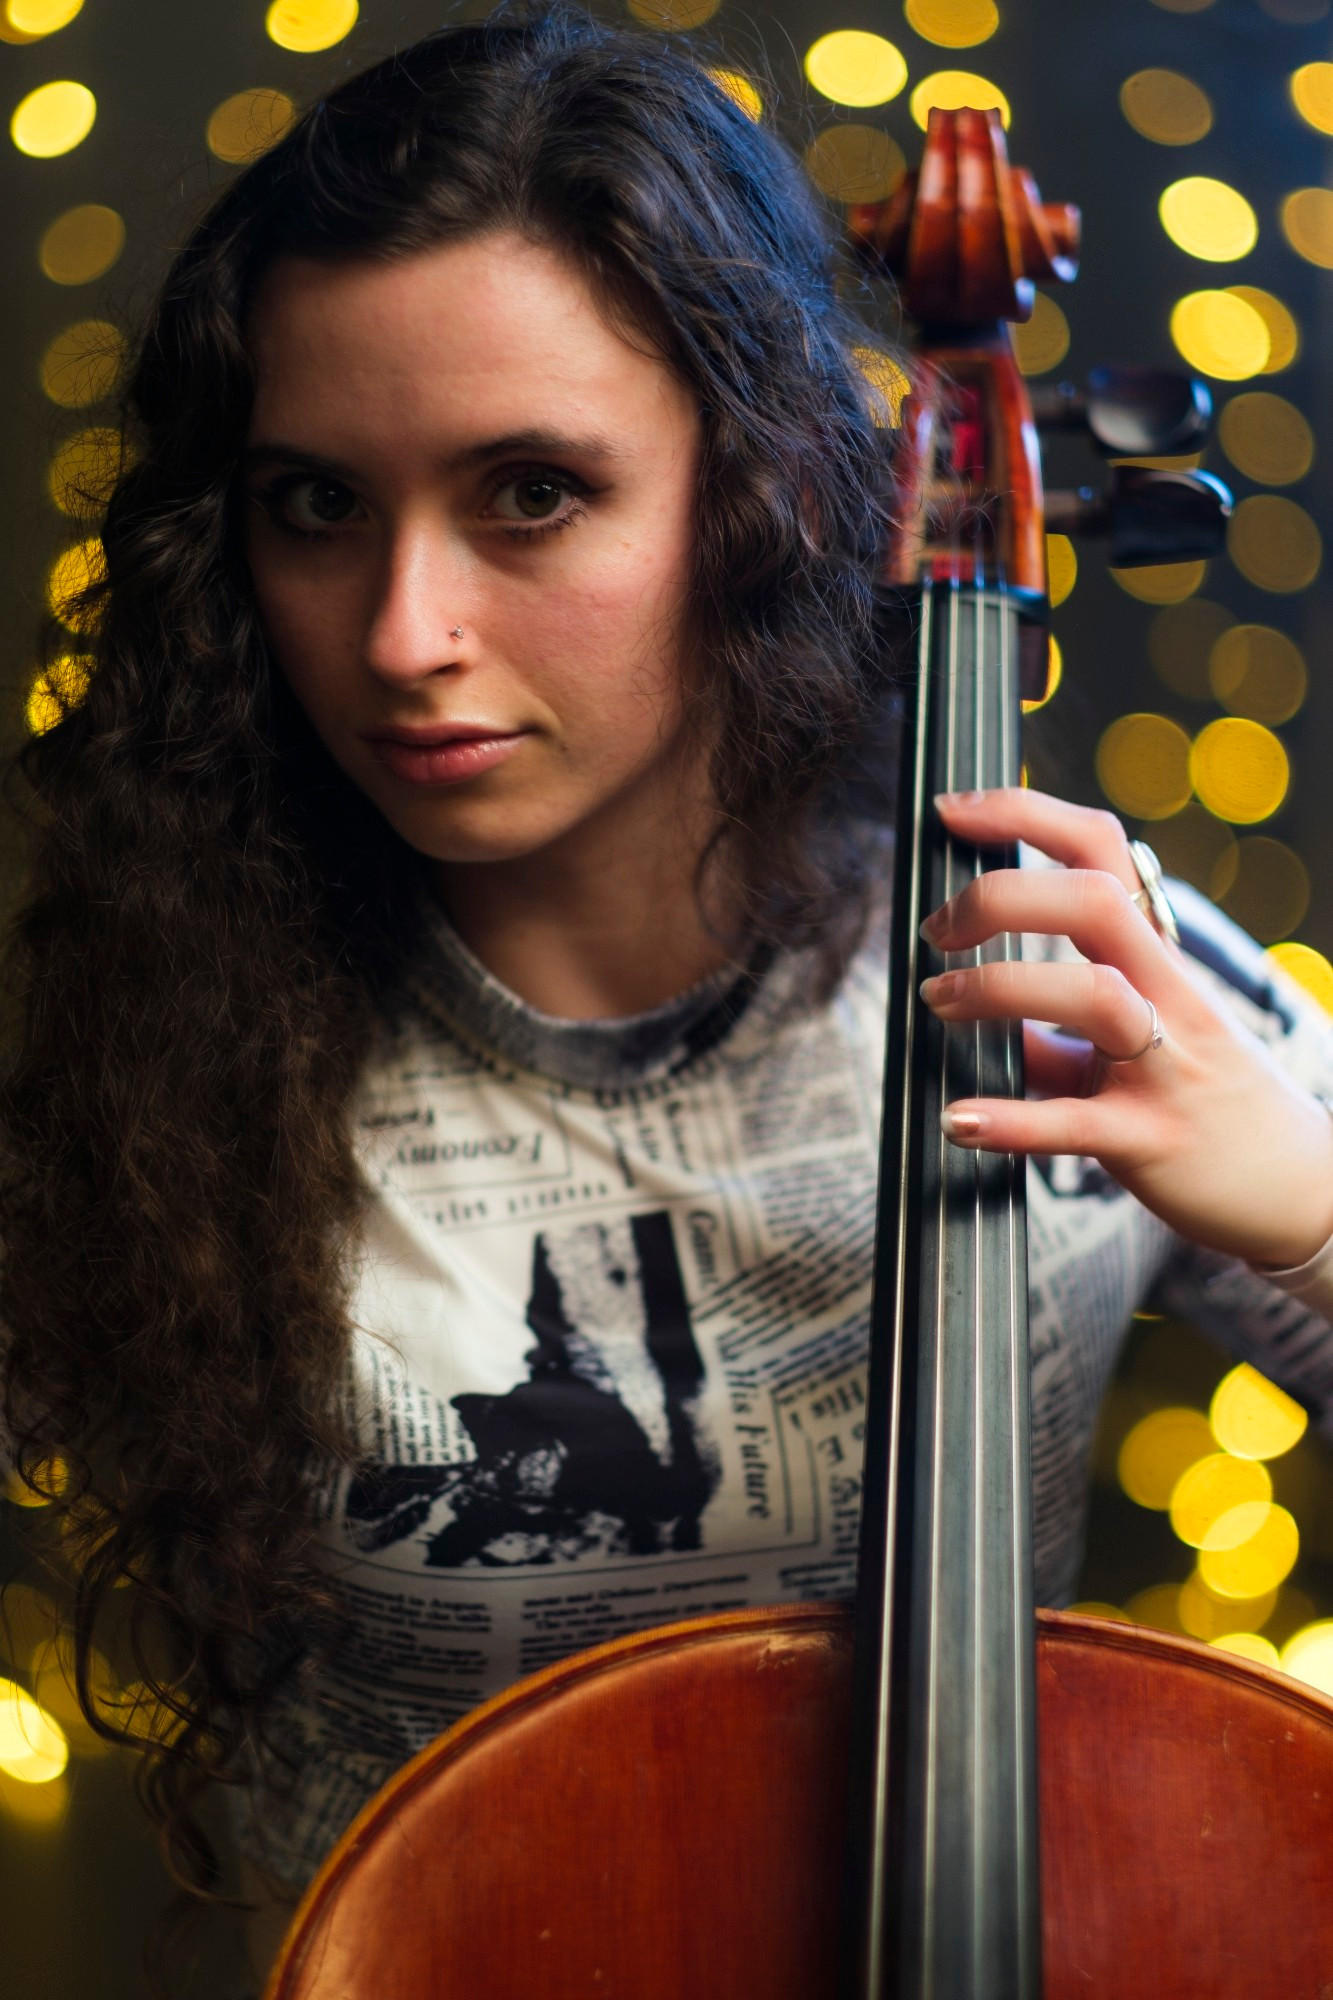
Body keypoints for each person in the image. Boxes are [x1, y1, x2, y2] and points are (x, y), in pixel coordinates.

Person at [3, 5, 1333, 1992]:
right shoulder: (162, 1015)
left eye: (529, 492)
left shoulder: (1046, 955)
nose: (402, 632)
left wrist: (1312, 1208)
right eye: (314, 505)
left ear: (758, 489)